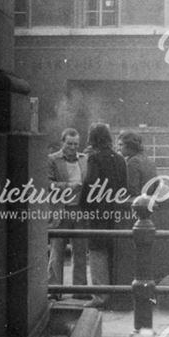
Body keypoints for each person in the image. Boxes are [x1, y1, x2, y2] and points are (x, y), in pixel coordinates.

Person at [81, 123, 127, 308]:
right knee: (113, 251)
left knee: (97, 253)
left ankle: (100, 297)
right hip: (116, 211)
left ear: (93, 139)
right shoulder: (119, 159)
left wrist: (85, 206)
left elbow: (90, 184)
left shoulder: (95, 158)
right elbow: (123, 186)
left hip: (98, 213)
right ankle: (115, 295)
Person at [46, 128, 88, 298]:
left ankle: (80, 290)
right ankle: (55, 290)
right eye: (69, 143)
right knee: (57, 251)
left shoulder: (85, 160)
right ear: (62, 142)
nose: (72, 147)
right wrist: (68, 186)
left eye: (76, 144)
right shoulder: (52, 160)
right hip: (61, 209)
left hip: (79, 209)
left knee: (80, 251)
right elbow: (47, 183)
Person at [118, 130, 158, 196]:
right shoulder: (149, 161)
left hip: (138, 202)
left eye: (121, 145)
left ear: (130, 145)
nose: (118, 148)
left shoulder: (133, 162)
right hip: (149, 201)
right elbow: (156, 185)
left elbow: (132, 189)